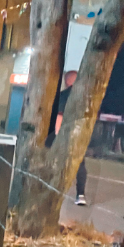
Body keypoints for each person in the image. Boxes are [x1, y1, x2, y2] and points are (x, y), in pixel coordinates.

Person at [47, 70, 87, 206]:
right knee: (80, 166)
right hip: (79, 136)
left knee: (57, 164)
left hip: (64, 136)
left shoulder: (62, 97)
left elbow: (58, 117)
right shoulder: (86, 97)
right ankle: (81, 195)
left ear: (67, 81)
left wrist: (55, 137)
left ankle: (53, 192)